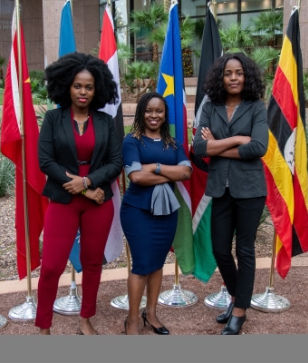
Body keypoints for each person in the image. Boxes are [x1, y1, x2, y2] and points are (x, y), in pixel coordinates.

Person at [36, 52, 122, 335]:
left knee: (93, 263)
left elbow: (115, 163)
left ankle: (86, 319)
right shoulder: (52, 118)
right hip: (64, 200)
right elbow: (46, 161)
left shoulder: (105, 122)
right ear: (66, 86)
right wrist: (83, 188)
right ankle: (44, 326)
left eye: (88, 86)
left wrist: (87, 183)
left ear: (97, 89)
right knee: (50, 266)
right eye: (77, 85)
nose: (83, 91)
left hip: (99, 203)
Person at [193, 53, 268, 335]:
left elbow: (258, 148)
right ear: (220, 77)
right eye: (228, 73)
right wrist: (237, 139)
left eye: (238, 73)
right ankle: (237, 297)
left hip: (250, 190)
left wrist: (217, 145)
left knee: (244, 250)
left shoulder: (256, 107)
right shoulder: (210, 106)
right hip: (219, 189)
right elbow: (199, 148)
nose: (233, 77)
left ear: (246, 76)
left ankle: (239, 310)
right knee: (220, 250)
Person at [121, 92, 192, 335]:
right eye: (149, 110)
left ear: (165, 114)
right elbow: (136, 177)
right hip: (137, 211)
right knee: (142, 265)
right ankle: (132, 320)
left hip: (166, 213)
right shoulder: (132, 141)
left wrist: (156, 167)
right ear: (142, 112)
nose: (154, 115)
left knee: (157, 263)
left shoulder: (173, 144)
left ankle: (150, 314)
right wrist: (169, 172)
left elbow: (186, 173)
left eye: (159, 111)